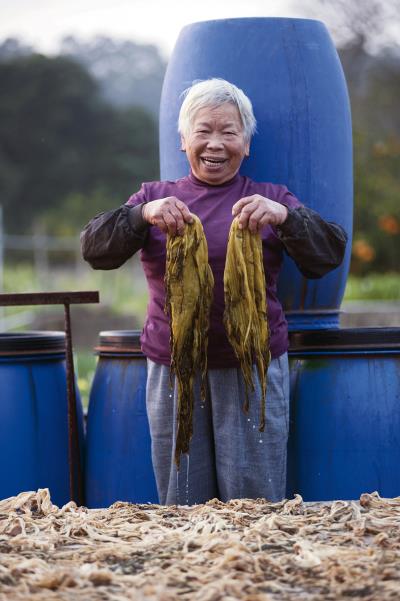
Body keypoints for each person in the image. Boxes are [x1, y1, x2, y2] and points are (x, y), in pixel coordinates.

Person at [81, 78, 347, 505]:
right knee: (182, 499)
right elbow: (96, 250)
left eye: (229, 132)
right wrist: (141, 215)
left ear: (247, 143)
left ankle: (253, 570)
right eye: (203, 131)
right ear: (184, 140)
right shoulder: (154, 197)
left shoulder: (271, 198)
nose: (216, 144)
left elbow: (327, 255)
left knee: (254, 503)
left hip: (253, 368)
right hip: (175, 370)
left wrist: (284, 218)